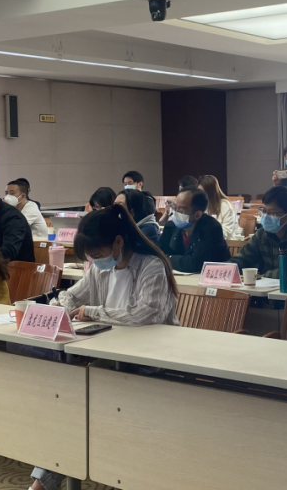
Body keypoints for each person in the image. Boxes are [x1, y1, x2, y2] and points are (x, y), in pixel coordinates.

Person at [31, 204, 179, 490]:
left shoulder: (151, 266)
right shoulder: (100, 269)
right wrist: (60, 306)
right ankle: (45, 480)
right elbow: (71, 295)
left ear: (118, 242)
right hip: (109, 358)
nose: (95, 262)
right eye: (91, 257)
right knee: (73, 401)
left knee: (78, 400)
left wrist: (94, 312)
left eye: (98, 255)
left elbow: (146, 314)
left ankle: (43, 482)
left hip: (150, 363)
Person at [229, 186, 287, 281]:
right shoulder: (262, 233)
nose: (266, 216)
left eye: (273, 213)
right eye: (264, 211)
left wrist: (260, 276)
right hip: (270, 287)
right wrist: (225, 269)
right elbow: (243, 259)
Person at [158, 188, 230, 272]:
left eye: (181, 210)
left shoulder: (211, 227)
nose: (175, 212)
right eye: (174, 207)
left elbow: (194, 264)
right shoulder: (171, 226)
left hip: (213, 277)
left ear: (197, 215)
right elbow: (158, 255)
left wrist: (167, 258)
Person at [198, 175, 239, 239]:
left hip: (224, 242)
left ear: (210, 192)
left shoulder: (225, 206)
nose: (200, 195)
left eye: (203, 192)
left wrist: (208, 229)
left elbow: (227, 232)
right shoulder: (201, 206)